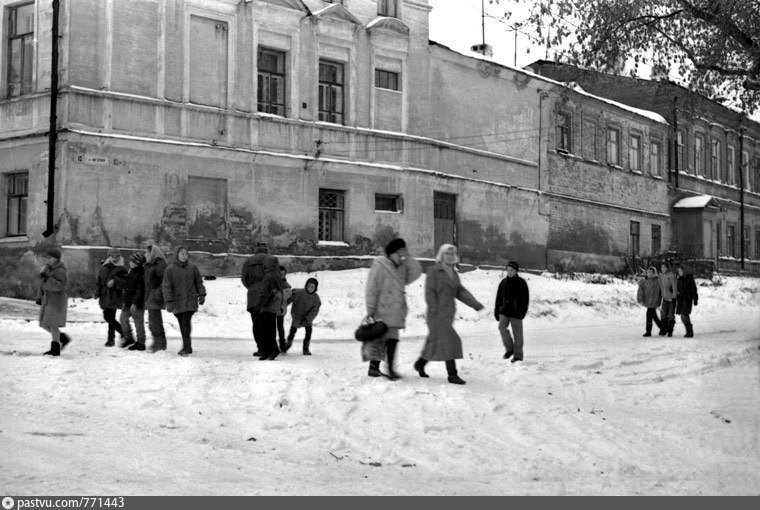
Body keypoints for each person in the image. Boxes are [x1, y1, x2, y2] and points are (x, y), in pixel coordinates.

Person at [413, 244, 484, 385]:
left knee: (434, 341)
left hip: (448, 314)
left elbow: (460, 292)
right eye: (447, 254)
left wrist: (475, 304)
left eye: (453, 254)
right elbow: (429, 293)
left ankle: (420, 363)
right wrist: (435, 309)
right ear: (441, 255)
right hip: (436, 315)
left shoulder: (454, 274)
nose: (450, 256)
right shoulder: (433, 271)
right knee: (450, 342)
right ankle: (452, 374)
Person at [363, 238, 422, 380]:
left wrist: (407, 258)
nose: (401, 256)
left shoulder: (402, 267)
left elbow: (417, 272)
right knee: (380, 339)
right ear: (391, 252)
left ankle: (390, 369)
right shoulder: (379, 265)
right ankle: (374, 368)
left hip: (396, 310)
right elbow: (371, 289)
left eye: (403, 252)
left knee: (393, 340)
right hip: (382, 309)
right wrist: (370, 310)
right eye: (399, 253)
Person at [162, 245, 207, 356]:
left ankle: (186, 347)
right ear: (176, 254)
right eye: (182, 253)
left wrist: (201, 294)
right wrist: (169, 301)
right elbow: (166, 287)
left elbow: (198, 282)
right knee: (183, 323)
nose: (184, 256)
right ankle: (188, 346)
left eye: (186, 253)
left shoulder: (192, 268)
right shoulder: (170, 270)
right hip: (177, 301)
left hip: (190, 300)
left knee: (185, 323)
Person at [38, 247, 72, 356]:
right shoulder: (48, 269)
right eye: (47, 257)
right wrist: (39, 296)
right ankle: (63, 338)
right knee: (44, 324)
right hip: (47, 299)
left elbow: (60, 286)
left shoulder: (60, 270)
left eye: (49, 258)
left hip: (56, 300)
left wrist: (48, 277)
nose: (47, 259)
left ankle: (55, 349)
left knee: (53, 324)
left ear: (56, 259)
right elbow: (42, 284)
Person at [494, 261, 530, 363]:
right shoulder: (503, 282)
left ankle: (518, 356)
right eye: (508, 270)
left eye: (511, 270)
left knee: (518, 335)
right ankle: (510, 349)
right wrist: (497, 311)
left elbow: (525, 299)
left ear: (516, 271)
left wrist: (522, 311)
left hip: (516, 313)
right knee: (501, 328)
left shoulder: (521, 283)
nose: (509, 272)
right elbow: (498, 298)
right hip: (504, 312)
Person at [253, 254, 284, 360]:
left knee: (265, 329)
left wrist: (259, 305)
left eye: (264, 264)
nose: (263, 266)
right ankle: (269, 351)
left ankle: (273, 350)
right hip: (274, 306)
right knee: (270, 329)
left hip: (268, 306)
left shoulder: (269, 276)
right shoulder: (277, 274)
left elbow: (264, 293)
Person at [241, 242, 269, 357]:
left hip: (253, 296)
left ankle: (260, 348)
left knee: (256, 323)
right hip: (268, 296)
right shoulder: (271, 260)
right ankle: (268, 347)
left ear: (256, 250)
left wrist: (252, 287)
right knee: (267, 323)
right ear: (266, 250)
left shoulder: (248, 261)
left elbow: (244, 279)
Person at [95, 247, 128, 346]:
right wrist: (97, 292)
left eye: (116, 256)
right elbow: (99, 281)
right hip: (105, 295)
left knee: (110, 317)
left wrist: (115, 281)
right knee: (108, 317)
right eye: (112, 256)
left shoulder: (121, 268)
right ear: (109, 256)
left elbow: (125, 282)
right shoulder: (105, 267)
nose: (114, 258)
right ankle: (122, 333)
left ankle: (111, 339)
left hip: (115, 296)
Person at [285, 277, 321, 355]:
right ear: (306, 285)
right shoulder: (298, 293)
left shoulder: (316, 299)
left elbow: (314, 312)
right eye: (309, 286)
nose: (310, 288)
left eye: (312, 287)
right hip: (297, 315)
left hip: (307, 318)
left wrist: (308, 319)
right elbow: (289, 300)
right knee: (292, 331)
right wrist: (282, 306)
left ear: (315, 288)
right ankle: (287, 345)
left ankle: (306, 348)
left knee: (308, 332)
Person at [143, 245, 168, 352]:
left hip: (155, 295)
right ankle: (160, 343)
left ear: (153, 253)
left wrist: (159, 291)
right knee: (154, 320)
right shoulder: (151, 264)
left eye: (147, 253)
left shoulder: (159, 264)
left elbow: (165, 280)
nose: (145, 255)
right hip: (150, 295)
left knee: (154, 321)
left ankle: (158, 344)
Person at [120, 252, 147, 350]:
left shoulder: (141, 274)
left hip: (137, 304)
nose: (129, 262)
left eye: (132, 261)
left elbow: (140, 291)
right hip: (128, 302)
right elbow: (127, 285)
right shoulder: (131, 271)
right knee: (123, 319)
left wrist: (135, 303)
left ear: (137, 262)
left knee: (138, 323)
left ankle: (141, 342)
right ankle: (129, 337)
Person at [637, 266, 664, 337]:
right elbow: (640, 290)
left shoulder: (658, 281)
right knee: (653, 315)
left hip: (655, 301)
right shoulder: (645, 281)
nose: (650, 274)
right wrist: (640, 299)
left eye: (651, 273)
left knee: (649, 315)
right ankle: (662, 328)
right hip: (649, 301)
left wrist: (662, 300)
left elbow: (663, 290)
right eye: (648, 272)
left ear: (654, 273)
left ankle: (649, 331)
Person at [675, 264, 698, 338]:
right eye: (679, 271)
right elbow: (678, 288)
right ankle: (688, 331)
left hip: (687, 299)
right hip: (681, 299)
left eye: (681, 271)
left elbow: (694, 290)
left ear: (684, 271)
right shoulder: (680, 279)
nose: (679, 272)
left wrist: (695, 299)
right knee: (683, 315)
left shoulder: (690, 279)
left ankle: (689, 332)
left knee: (684, 314)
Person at [658, 262, 678, 337]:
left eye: (664, 267)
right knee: (663, 314)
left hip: (671, 298)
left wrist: (674, 298)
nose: (663, 269)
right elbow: (657, 282)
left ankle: (670, 330)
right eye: (662, 267)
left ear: (667, 268)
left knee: (670, 315)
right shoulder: (661, 276)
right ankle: (664, 329)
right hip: (665, 298)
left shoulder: (671, 276)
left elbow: (675, 287)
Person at [277, 266, 292, 352]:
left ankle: (282, 344)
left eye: (283, 274)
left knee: (280, 327)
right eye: (279, 274)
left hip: (281, 309)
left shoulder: (286, 285)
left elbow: (287, 295)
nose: (281, 276)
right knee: (271, 327)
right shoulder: (273, 283)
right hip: (272, 308)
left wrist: (280, 295)